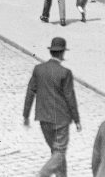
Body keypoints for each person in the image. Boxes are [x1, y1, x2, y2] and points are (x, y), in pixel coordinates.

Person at [24, 36, 81, 177]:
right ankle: (42, 174)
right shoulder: (65, 73)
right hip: (61, 119)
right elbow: (70, 97)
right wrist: (77, 119)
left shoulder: (39, 69)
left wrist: (26, 115)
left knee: (56, 152)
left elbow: (30, 92)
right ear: (62, 53)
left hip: (43, 118)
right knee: (60, 152)